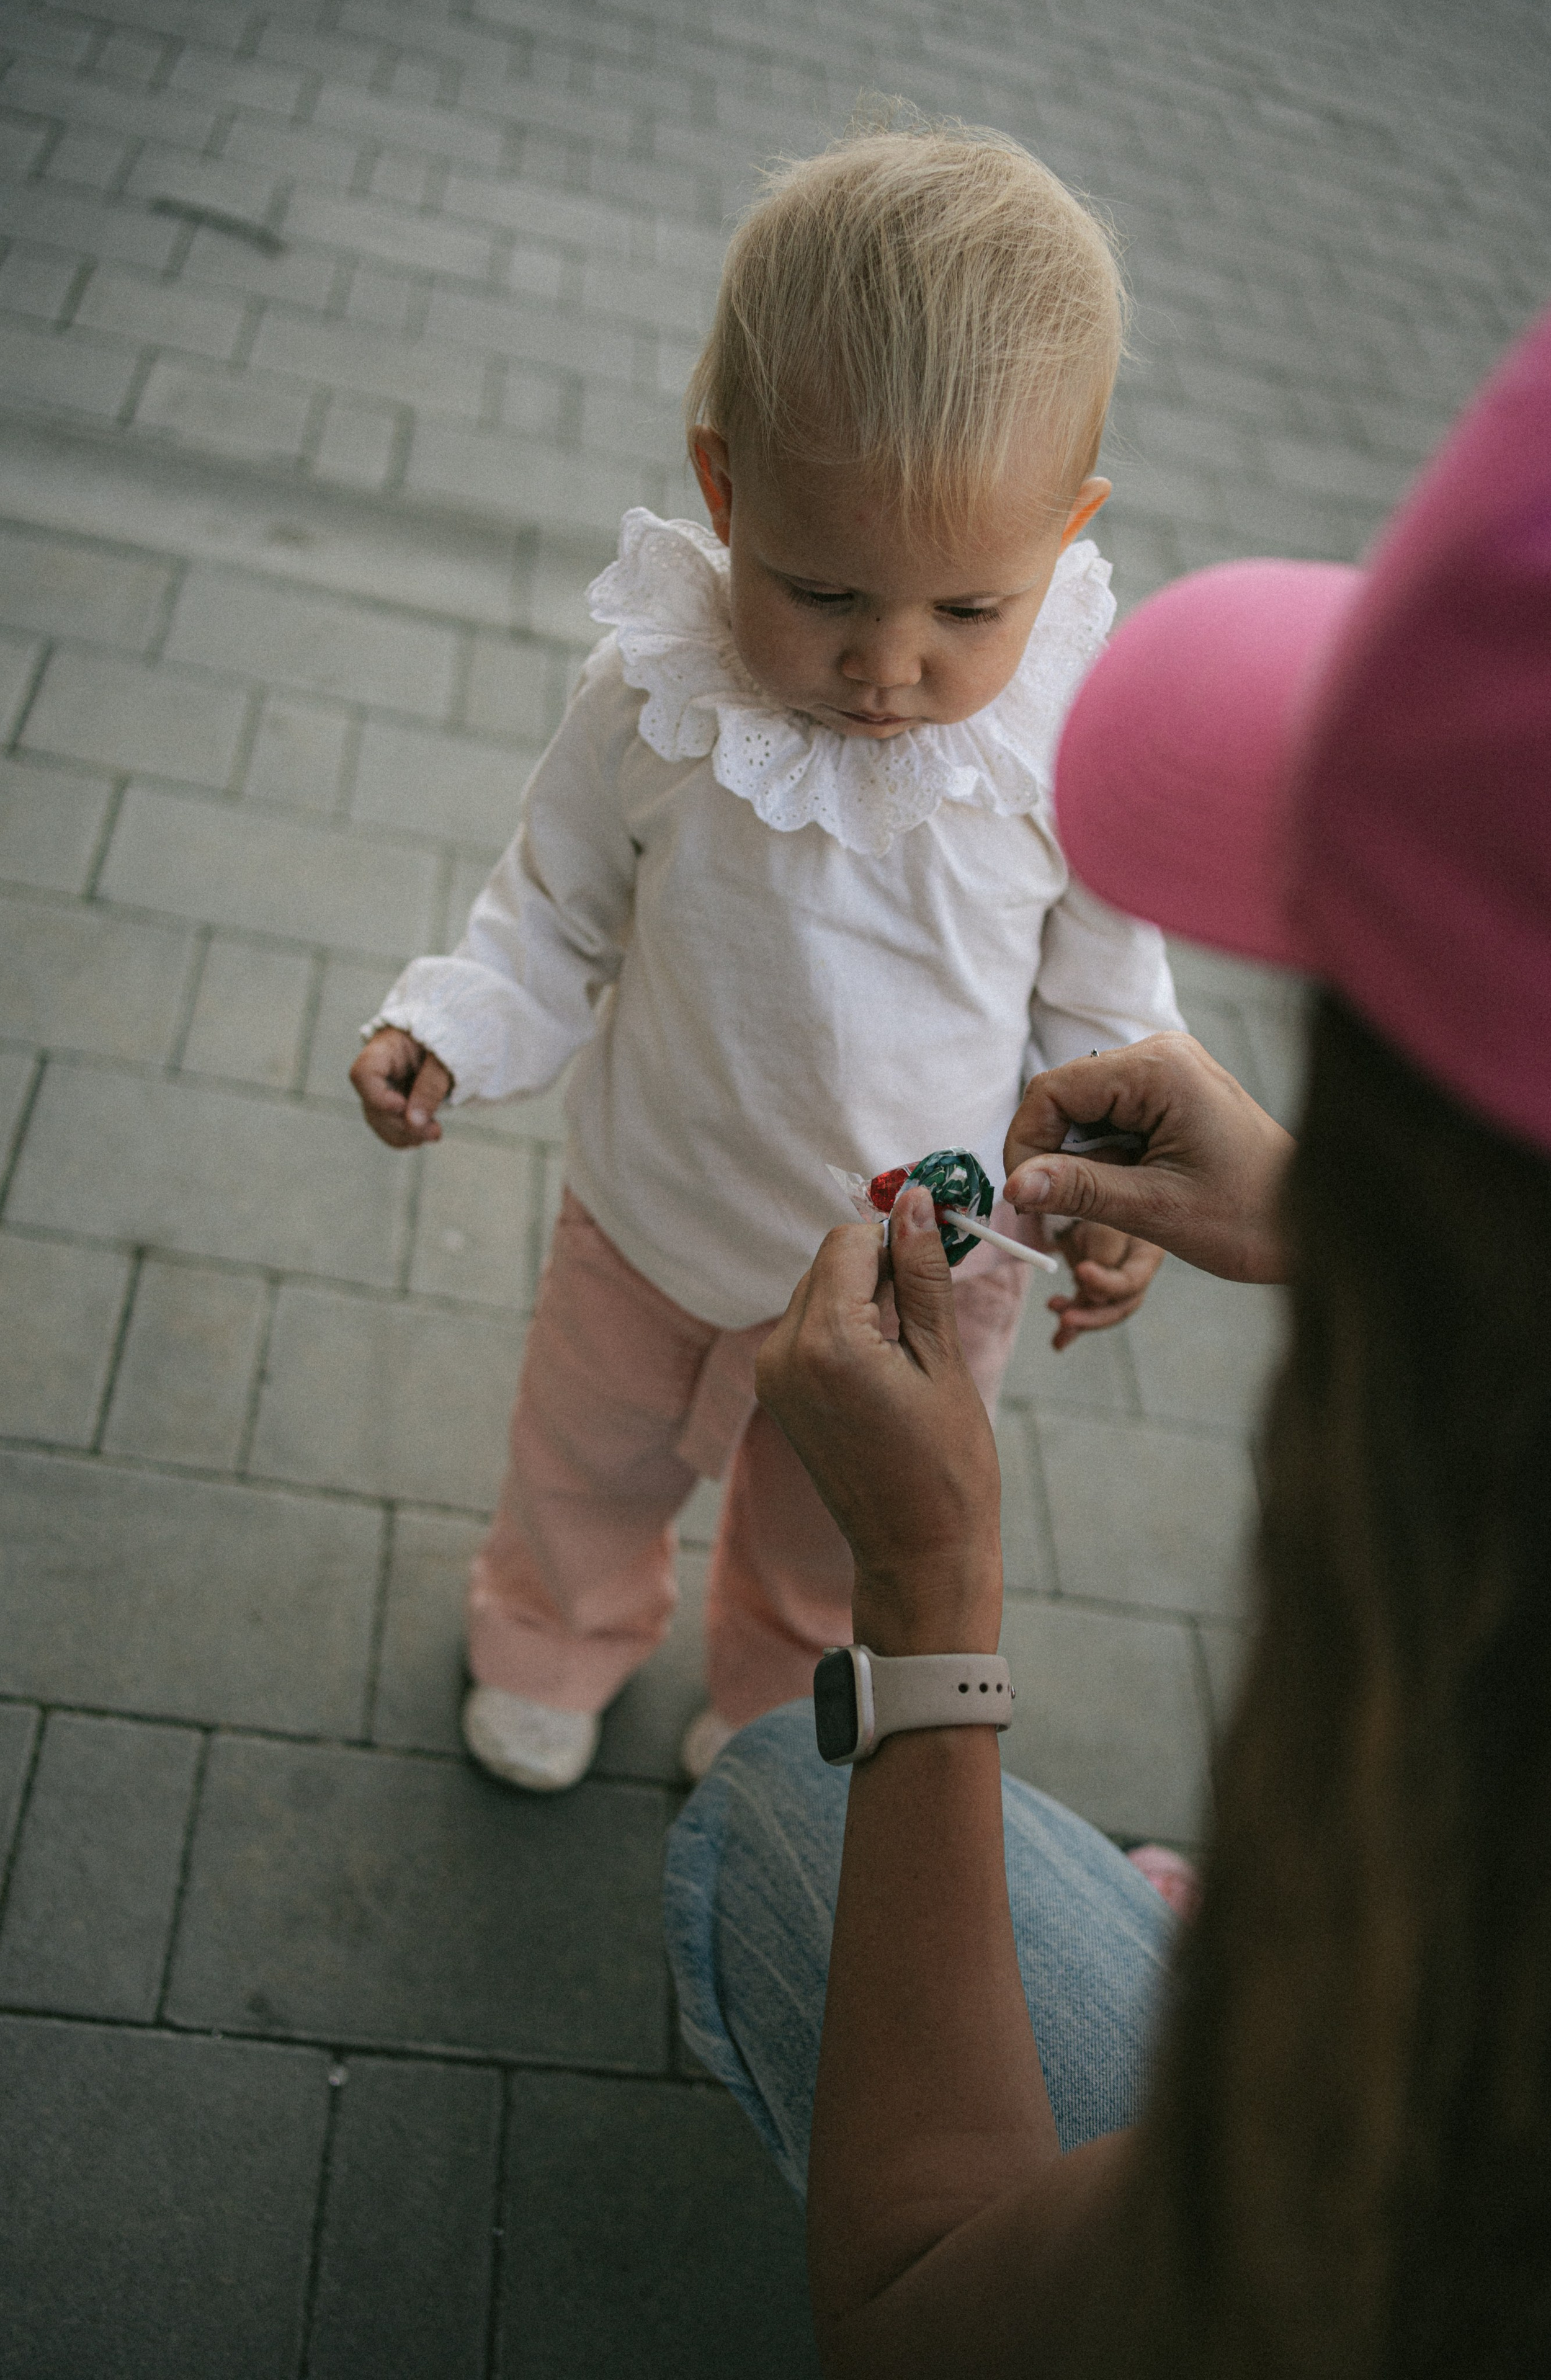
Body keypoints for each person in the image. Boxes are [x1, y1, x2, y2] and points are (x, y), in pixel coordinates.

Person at [663, 300, 1551, 2374]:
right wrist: (1346, 1221)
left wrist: (929, 1594)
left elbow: (916, 2313)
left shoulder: (1463, 2090)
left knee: (784, 1809)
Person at [349, 117, 1184, 1794]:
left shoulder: (1067, 747)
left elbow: (1101, 1006)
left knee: (832, 1538)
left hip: (916, 1281)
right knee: (583, 1465)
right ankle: (553, 1629)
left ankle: (766, 1698)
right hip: (653, 1221)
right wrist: (457, 1019)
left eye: (966, 611)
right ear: (726, 492)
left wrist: (1111, 1181)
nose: (888, 666)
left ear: (1068, 525)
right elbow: (560, 902)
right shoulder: (658, 706)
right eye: (821, 593)